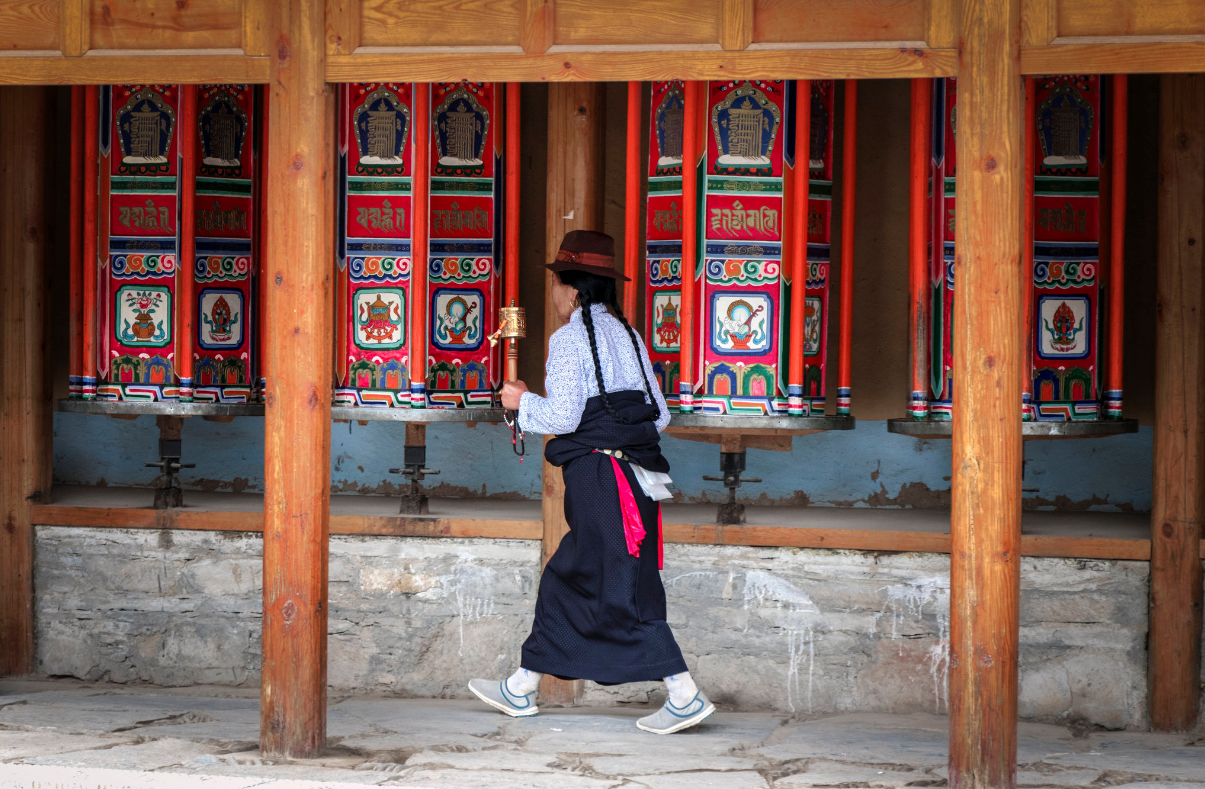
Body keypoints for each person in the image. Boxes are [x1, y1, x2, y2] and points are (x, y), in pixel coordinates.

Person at [468, 230, 714, 735]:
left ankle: (684, 694)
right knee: (583, 576)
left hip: (605, 482)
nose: (554, 295)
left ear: (572, 290)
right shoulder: (631, 336)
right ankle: (521, 686)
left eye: (557, 285)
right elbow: (660, 416)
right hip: (638, 478)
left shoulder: (569, 340)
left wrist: (518, 402)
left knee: (609, 581)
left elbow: (562, 413)